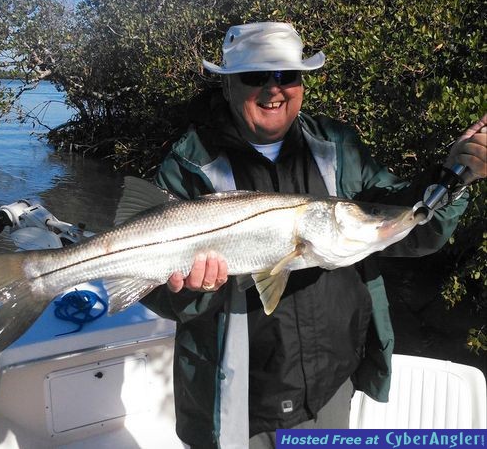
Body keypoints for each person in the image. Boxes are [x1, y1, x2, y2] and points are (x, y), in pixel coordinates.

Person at [141, 22, 486, 449]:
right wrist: (190, 291)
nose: (275, 89)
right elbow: (157, 293)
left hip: (331, 387)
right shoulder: (188, 164)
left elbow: (410, 224)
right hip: (233, 400)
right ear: (228, 86)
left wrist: (456, 176)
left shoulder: (336, 146)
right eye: (255, 77)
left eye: (288, 76)